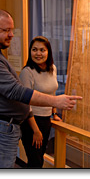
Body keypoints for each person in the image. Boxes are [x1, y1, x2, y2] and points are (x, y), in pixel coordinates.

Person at [0, 9, 82, 168]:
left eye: (12, 30)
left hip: (1, 127)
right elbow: (16, 91)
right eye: (6, 30)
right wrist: (57, 101)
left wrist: (54, 110)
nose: (11, 35)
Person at [19, 36, 61, 168]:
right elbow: (25, 104)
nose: (38, 53)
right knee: (35, 162)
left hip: (46, 119)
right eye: (34, 49)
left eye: (42, 50)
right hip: (31, 122)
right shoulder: (27, 72)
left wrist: (54, 113)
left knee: (39, 157)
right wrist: (36, 130)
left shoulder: (52, 68)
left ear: (48, 52)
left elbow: (52, 93)